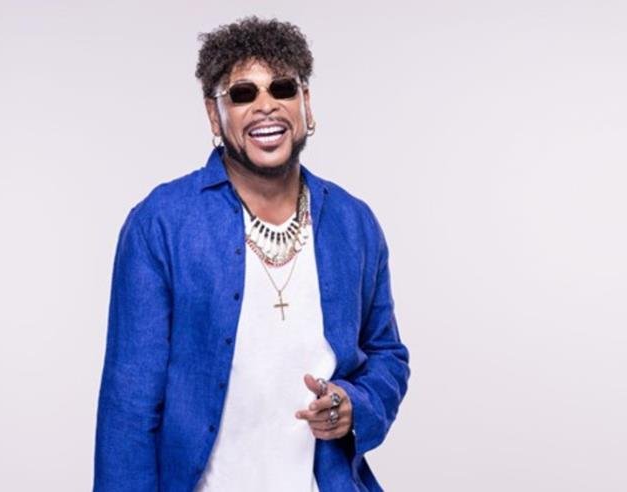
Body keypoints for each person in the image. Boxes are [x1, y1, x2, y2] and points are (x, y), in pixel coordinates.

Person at [94, 17, 410, 492]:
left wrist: (353, 405)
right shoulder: (162, 223)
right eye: (242, 94)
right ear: (214, 114)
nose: (266, 106)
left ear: (305, 103)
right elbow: (129, 406)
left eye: (282, 88)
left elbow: (387, 355)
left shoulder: (353, 222)